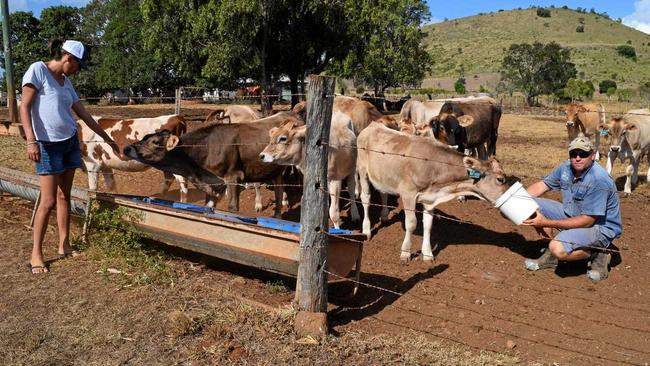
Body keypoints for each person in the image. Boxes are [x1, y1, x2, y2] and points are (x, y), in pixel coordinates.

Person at [20, 39, 119, 274]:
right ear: (68, 58)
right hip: (46, 145)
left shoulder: (66, 82)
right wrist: (31, 141)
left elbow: (83, 113)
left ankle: (64, 245)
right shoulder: (38, 70)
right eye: (78, 65)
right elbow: (24, 107)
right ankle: (36, 254)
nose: (78, 70)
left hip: (69, 143)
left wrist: (107, 138)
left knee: (65, 195)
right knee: (48, 201)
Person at [522, 135, 622, 281]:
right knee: (528, 204)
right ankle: (554, 253)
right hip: (574, 214)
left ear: (593, 156)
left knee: (558, 248)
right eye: (573, 154)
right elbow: (542, 186)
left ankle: (596, 253)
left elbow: (587, 221)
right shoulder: (566, 168)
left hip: (599, 227)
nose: (577, 158)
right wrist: (516, 200)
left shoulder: (599, 180)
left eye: (583, 154)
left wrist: (545, 223)